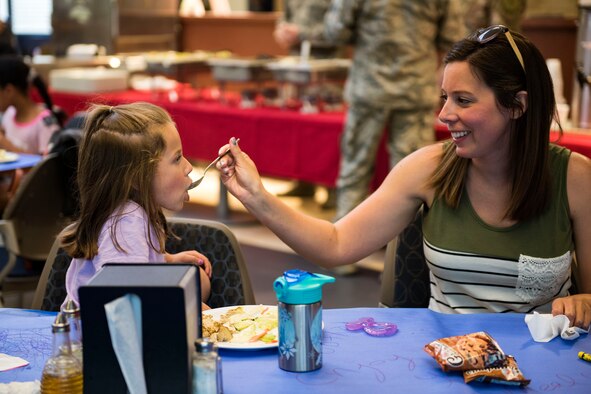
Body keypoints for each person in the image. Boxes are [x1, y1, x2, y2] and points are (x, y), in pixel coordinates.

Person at [216, 26, 591, 328]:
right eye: (444, 97)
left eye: (463, 100)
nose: (444, 114)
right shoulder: (427, 168)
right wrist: (257, 197)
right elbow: (336, 244)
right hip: (448, 366)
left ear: (518, 106)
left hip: (543, 366)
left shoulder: (575, 179)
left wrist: (584, 303)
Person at [294, 1, 466, 222]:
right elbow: (454, 36)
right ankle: (407, 248)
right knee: (414, 177)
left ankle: (346, 247)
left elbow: (335, 30)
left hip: (369, 88)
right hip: (415, 88)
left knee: (354, 172)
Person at [60, 102, 213, 310]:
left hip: (129, 313)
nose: (188, 167)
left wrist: (167, 260)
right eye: (177, 158)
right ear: (136, 176)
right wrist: (198, 312)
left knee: (199, 280)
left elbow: (135, 263)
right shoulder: (126, 222)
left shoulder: (133, 211)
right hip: (101, 333)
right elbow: (126, 301)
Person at [273, 0, 342, 208]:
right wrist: (281, 31)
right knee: (301, 131)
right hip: (297, 69)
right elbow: (284, 17)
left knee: (326, 134)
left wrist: (302, 33)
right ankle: (304, 181)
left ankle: (332, 188)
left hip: (326, 71)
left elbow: (339, 31)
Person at [0, 55, 62, 155]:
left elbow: (48, 165)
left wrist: (6, 145)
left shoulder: (45, 122)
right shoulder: (9, 114)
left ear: (8, 91)